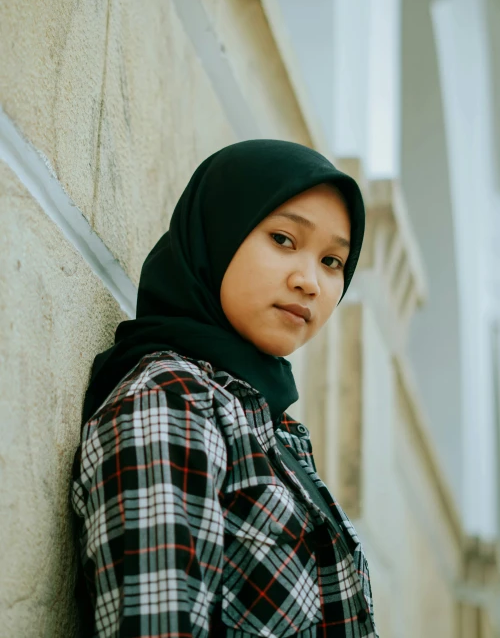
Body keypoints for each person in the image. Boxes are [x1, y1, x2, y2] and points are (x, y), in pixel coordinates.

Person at [71, 138, 379, 637]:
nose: (311, 282)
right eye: (283, 239)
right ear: (219, 231)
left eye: (332, 262)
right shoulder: (172, 399)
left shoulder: (272, 427)